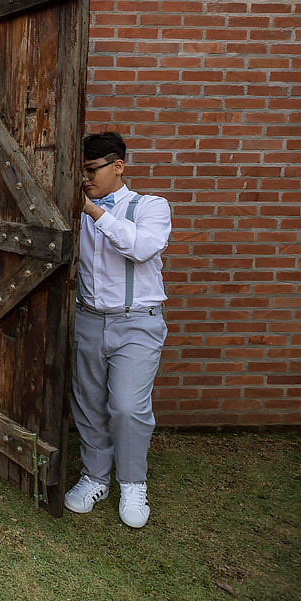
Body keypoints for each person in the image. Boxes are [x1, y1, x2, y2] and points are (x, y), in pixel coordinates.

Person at [64, 132, 172, 530]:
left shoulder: (151, 207)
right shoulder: (78, 210)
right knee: (89, 404)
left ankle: (132, 482)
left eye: (91, 170)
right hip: (90, 318)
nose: (85, 179)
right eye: (81, 172)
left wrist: (94, 212)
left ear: (118, 167)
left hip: (137, 322)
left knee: (127, 406)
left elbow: (142, 247)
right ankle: (95, 478)